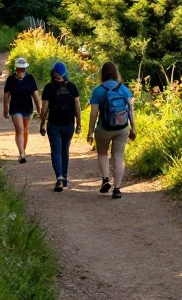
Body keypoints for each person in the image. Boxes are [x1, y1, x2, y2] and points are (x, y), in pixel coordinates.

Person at [86, 61, 135, 199]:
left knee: (102, 153)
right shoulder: (125, 89)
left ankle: (105, 179)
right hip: (122, 128)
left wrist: (90, 131)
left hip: (104, 128)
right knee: (118, 156)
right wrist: (133, 128)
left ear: (102, 74)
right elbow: (131, 111)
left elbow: (94, 113)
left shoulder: (98, 90)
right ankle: (117, 189)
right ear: (116, 73)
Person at [38, 61, 82, 192]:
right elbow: (77, 107)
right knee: (65, 151)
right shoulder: (72, 87)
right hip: (69, 123)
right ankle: (65, 178)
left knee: (56, 151)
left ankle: (59, 177)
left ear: (54, 73)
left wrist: (42, 124)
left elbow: (44, 110)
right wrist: (79, 123)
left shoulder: (49, 87)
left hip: (54, 124)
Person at [3, 57, 40, 163]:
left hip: (27, 107)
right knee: (19, 129)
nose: (21, 70)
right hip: (15, 108)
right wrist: (5, 109)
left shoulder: (30, 78)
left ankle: (23, 150)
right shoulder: (10, 79)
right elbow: (6, 96)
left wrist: (38, 108)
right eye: (19, 68)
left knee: (25, 130)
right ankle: (21, 153)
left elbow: (35, 95)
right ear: (16, 68)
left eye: (23, 69)